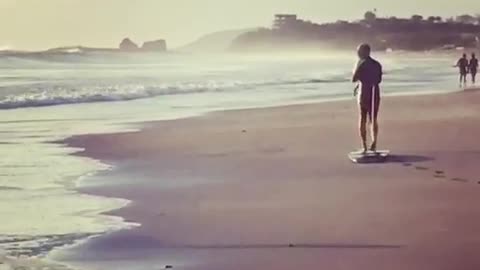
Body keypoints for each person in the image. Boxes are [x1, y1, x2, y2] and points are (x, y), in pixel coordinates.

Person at [352, 43, 383, 153]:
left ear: (365, 52)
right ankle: (374, 142)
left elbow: (354, 78)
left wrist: (359, 68)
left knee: (363, 118)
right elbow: (378, 80)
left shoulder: (361, 64)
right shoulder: (377, 64)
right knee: (373, 118)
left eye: (359, 52)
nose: (358, 54)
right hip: (375, 92)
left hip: (364, 93)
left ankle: (364, 145)